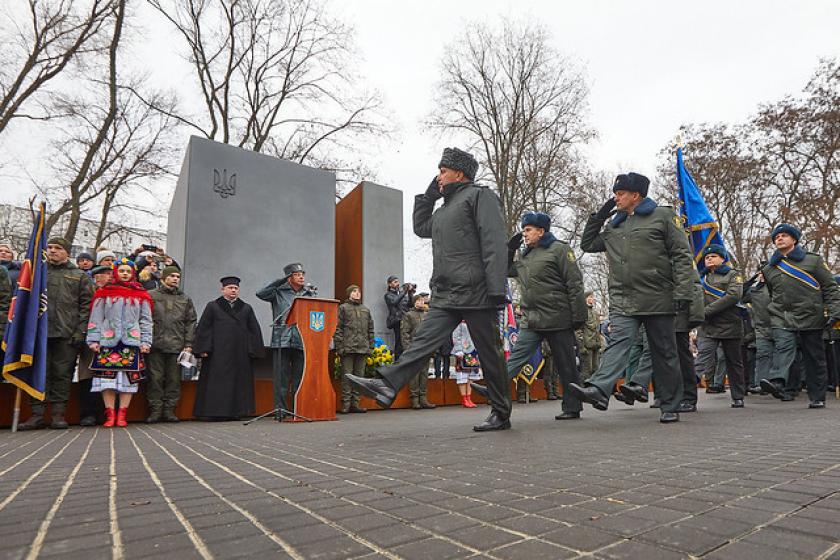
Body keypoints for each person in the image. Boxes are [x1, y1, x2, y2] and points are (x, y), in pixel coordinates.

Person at [347, 147, 512, 431]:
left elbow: (495, 242)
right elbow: (421, 227)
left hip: (476, 291)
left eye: (443, 171)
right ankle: (387, 385)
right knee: (422, 341)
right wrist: (428, 197)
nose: (439, 176)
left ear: (459, 173)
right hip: (446, 292)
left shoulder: (480, 196)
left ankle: (501, 411)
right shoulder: (445, 208)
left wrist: (496, 288)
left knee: (490, 353)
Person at [570, 173, 695, 423]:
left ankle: (670, 405)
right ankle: (599, 389)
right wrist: (599, 217)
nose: (615, 198)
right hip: (623, 298)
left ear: (635, 195)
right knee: (618, 343)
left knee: (664, 352)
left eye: (620, 194)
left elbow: (682, 255)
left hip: (657, 296)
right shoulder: (615, 225)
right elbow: (588, 244)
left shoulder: (662, 216)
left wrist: (683, 291)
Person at [474, 211, 585, 417]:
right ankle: (493, 390)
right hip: (531, 318)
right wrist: (510, 250)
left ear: (541, 231)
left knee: (566, 365)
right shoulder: (526, 255)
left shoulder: (559, 249)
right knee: (515, 358)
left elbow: (575, 283)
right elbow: (506, 271)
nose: (524, 234)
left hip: (557, 317)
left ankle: (572, 407)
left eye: (528, 230)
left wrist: (578, 316)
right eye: (523, 230)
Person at [759, 224, 840, 408]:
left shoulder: (813, 261)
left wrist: (835, 311)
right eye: (776, 237)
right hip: (782, 316)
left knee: (814, 358)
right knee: (783, 348)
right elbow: (773, 293)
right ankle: (778, 382)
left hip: (811, 315)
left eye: (784, 235)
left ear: (794, 239)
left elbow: (830, 287)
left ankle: (817, 397)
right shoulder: (770, 268)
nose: (780, 238)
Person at [19, 237, 94, 430]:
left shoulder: (80, 276)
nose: (52, 251)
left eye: (58, 248)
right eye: (50, 247)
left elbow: (87, 306)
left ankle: (58, 414)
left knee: (62, 374)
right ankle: (37, 414)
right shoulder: (38, 273)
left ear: (67, 252)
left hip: (67, 333)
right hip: (39, 333)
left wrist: (80, 331)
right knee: (39, 373)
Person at [85, 258, 153, 427]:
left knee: (128, 380)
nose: (125, 274)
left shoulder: (141, 295)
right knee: (106, 380)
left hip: (131, 342)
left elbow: (146, 321)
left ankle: (122, 414)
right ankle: (110, 414)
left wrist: (146, 341)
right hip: (108, 341)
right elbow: (96, 318)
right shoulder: (104, 293)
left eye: (128, 271)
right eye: (121, 271)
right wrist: (93, 339)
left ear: (133, 274)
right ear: (115, 272)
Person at [193, 276, 264, 420]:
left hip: (240, 353)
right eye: (230, 288)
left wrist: (253, 350)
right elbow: (204, 328)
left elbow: (254, 330)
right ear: (223, 289)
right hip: (217, 353)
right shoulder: (213, 306)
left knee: (238, 383)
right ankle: (214, 413)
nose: (233, 290)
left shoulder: (246, 308)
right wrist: (203, 348)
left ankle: (237, 412)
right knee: (217, 382)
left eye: (236, 288)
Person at [256, 263, 314, 419]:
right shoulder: (278, 292)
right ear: (289, 277)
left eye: (302, 274)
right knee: (281, 378)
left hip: (302, 339)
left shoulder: (308, 294)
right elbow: (260, 293)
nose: (301, 277)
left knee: (299, 378)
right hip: (282, 339)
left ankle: (297, 410)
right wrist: (280, 281)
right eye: (297, 274)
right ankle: (280, 410)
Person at [694, 244, 747, 408]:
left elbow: (734, 296)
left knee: (733, 362)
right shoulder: (700, 278)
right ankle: (687, 396)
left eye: (713, 256)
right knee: (701, 360)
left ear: (722, 259)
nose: (709, 259)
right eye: (707, 257)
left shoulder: (733, 274)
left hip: (729, 324)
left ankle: (738, 396)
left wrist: (706, 311)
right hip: (707, 326)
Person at [146, 266, 197, 423]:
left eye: (178, 276)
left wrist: (189, 344)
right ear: (164, 277)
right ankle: (155, 411)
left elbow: (191, 322)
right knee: (155, 379)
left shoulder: (185, 299)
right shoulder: (151, 295)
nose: (176, 279)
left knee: (174, 380)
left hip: (176, 345)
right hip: (155, 344)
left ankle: (169, 410)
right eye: (172, 276)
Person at [76, 265, 112, 426]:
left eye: (108, 274)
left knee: (108, 378)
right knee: (87, 375)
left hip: (111, 341)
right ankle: (88, 413)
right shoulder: (86, 291)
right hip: (88, 338)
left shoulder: (117, 293)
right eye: (101, 274)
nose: (105, 277)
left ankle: (107, 412)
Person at [334, 284, 375, 414]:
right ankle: (346, 404)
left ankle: (355, 403)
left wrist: (371, 347)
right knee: (347, 376)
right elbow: (338, 328)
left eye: (359, 291)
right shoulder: (343, 308)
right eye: (354, 291)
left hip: (362, 348)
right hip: (348, 348)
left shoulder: (365, 310)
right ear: (349, 294)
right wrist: (339, 346)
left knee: (359, 378)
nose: (357, 293)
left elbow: (370, 329)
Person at [401, 293, 436, 409]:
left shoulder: (427, 315)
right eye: (418, 300)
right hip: (414, 349)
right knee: (414, 375)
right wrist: (408, 349)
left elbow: (431, 332)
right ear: (414, 302)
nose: (421, 302)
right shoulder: (408, 315)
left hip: (425, 349)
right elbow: (405, 333)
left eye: (422, 301)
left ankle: (423, 399)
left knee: (424, 374)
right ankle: (415, 399)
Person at [452, 321, 481, 408]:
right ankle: (464, 398)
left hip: (473, 351)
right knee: (463, 375)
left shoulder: (473, 321)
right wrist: (458, 350)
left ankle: (468, 397)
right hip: (463, 351)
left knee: (471, 376)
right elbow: (455, 336)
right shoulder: (459, 322)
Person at [576, 291, 604, 381]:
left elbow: (598, 330)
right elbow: (578, 331)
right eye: (590, 297)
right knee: (587, 371)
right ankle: (583, 388)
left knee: (596, 370)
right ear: (585, 299)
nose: (592, 299)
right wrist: (582, 347)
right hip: (586, 346)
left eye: (593, 297)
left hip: (596, 345)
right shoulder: (582, 312)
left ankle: (594, 387)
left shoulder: (595, 313)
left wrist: (600, 343)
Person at [384, 276, 414, 356]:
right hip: (397, 320)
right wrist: (404, 291)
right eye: (395, 282)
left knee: (407, 341)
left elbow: (411, 304)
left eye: (398, 281)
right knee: (399, 342)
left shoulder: (402, 294)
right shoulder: (388, 295)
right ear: (389, 284)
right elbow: (394, 302)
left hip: (406, 320)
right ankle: (397, 360)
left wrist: (410, 293)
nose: (397, 284)